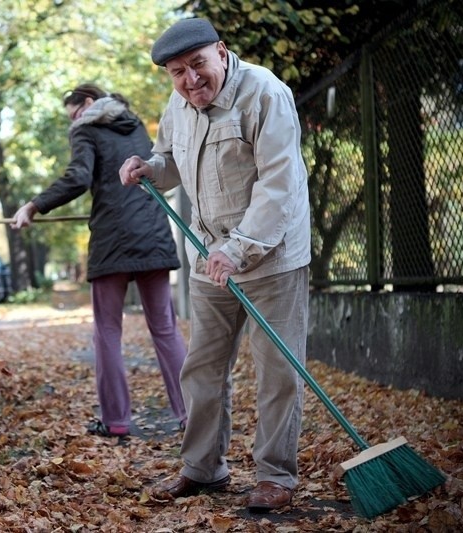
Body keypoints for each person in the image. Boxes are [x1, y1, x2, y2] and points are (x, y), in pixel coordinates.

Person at [119, 18, 311, 512]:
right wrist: (147, 169)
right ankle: (203, 468)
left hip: (270, 259)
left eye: (198, 64)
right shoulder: (179, 105)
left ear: (221, 53)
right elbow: (170, 161)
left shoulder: (265, 93)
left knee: (277, 373)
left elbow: (278, 183)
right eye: (178, 72)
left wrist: (240, 247)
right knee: (201, 367)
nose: (190, 80)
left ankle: (275, 476)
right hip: (209, 260)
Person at [11, 83, 188, 438]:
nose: (72, 121)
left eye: (74, 113)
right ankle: (192, 414)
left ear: (88, 104)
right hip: (152, 234)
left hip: (112, 241)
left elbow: (77, 178)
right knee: (165, 328)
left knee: (107, 331)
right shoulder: (135, 125)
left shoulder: (86, 130)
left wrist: (33, 205)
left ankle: (116, 421)